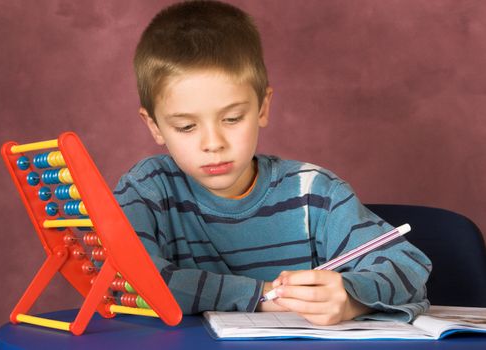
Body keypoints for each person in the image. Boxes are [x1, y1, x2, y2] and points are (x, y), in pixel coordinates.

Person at [114, 0, 431, 325]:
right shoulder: (146, 192)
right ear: (154, 126)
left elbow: (409, 267)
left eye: (233, 118)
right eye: (186, 127)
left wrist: (350, 298)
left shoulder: (314, 194)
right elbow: (124, 282)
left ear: (263, 108)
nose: (213, 144)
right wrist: (260, 296)